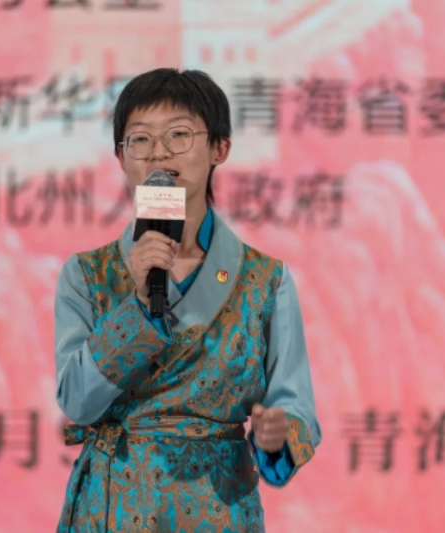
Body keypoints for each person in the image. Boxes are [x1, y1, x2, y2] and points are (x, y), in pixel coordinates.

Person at [54, 68, 321, 532]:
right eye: (140, 139)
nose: (159, 151)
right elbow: (76, 401)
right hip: (113, 506)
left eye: (179, 134)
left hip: (219, 509)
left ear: (220, 147)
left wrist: (278, 435)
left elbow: (294, 407)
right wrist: (139, 305)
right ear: (121, 157)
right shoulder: (87, 275)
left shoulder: (265, 281)